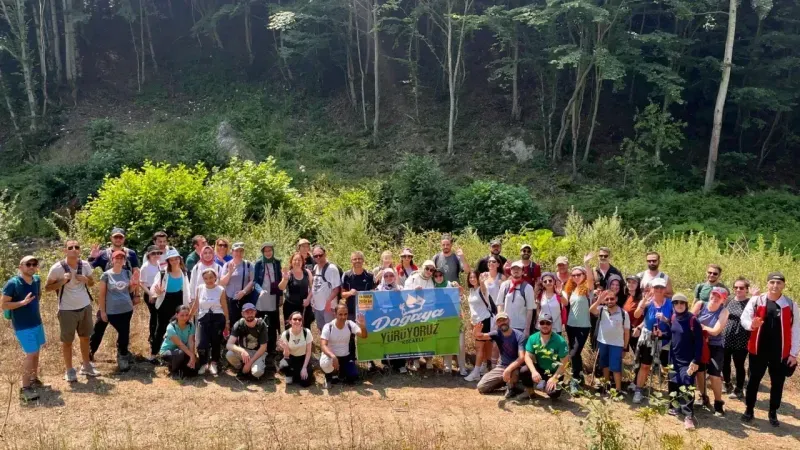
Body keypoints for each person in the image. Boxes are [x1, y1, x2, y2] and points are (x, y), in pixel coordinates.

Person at [740, 272, 799, 427]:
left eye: (778, 283)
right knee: (753, 381)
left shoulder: (791, 305)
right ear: (767, 284)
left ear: (783, 285)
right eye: (772, 282)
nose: (775, 286)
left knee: (777, 383)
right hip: (758, 350)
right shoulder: (756, 300)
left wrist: (793, 353)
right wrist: (752, 325)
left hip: (780, 353)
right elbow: (744, 318)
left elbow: (796, 329)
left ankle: (773, 412)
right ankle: (749, 409)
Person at [44, 240, 99, 380]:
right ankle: (69, 370)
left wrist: (86, 280)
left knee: (85, 338)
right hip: (66, 309)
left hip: (85, 306)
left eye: (77, 247)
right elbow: (47, 288)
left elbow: (92, 283)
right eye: (70, 247)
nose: (74, 249)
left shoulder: (85, 265)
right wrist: (62, 282)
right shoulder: (57, 268)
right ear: (65, 250)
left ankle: (86, 366)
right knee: (67, 341)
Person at [2, 256, 44, 401]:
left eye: (34, 264)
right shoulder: (13, 283)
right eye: (28, 264)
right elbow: (4, 305)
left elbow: (38, 296)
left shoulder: (37, 280)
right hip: (23, 325)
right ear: (20, 267)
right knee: (31, 354)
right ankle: (25, 389)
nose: (32, 266)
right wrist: (22, 303)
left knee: (37, 351)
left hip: (37, 322)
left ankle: (33, 379)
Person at [90, 250, 138, 372]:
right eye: (117, 258)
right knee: (98, 331)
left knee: (124, 334)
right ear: (112, 260)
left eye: (122, 258)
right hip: (110, 310)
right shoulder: (106, 275)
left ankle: (122, 356)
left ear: (124, 261)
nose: (119, 260)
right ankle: (89, 355)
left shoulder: (127, 273)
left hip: (126, 309)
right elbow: (101, 295)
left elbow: (130, 290)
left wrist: (134, 284)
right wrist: (103, 311)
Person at [632, 277, 673, 404]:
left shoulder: (671, 303)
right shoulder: (647, 302)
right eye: (656, 288)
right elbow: (637, 315)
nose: (659, 290)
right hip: (648, 337)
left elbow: (675, 321)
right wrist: (642, 304)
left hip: (665, 338)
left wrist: (666, 319)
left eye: (661, 288)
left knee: (668, 367)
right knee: (645, 365)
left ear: (665, 289)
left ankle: (673, 394)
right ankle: (638, 390)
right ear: (652, 289)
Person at [691, 286, 730, 416]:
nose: (714, 298)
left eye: (718, 297)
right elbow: (690, 321)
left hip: (715, 345)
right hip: (699, 343)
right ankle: (703, 397)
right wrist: (701, 329)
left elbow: (715, 331)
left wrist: (700, 327)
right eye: (713, 295)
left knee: (714, 375)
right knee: (700, 371)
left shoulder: (724, 311)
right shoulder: (700, 305)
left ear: (723, 300)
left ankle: (718, 403)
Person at [668, 293, 704, 430]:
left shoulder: (693, 320)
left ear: (686, 304)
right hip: (674, 359)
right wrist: (661, 334)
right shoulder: (673, 318)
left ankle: (689, 416)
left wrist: (696, 361)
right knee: (674, 383)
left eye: (681, 303)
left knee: (687, 385)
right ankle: (675, 407)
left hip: (688, 361)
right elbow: (673, 335)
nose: (679, 305)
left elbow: (699, 343)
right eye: (676, 303)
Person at [474, 312, 526, 398]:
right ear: (497, 323)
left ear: (509, 320)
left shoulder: (519, 335)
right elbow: (480, 336)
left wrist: (508, 369)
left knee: (514, 372)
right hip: (502, 366)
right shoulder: (497, 334)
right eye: (499, 321)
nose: (502, 322)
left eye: (504, 320)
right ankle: (508, 383)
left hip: (516, 367)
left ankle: (512, 387)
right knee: (482, 387)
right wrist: (476, 332)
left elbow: (521, 358)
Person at [150, 249, 191, 356]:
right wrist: (157, 292)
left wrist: (188, 305)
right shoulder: (163, 273)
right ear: (168, 261)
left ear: (179, 259)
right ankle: (154, 354)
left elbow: (187, 290)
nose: (174, 261)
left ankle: (174, 352)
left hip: (179, 301)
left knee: (177, 327)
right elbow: (154, 287)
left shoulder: (184, 272)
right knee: (161, 328)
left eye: (176, 259)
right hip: (165, 302)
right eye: (171, 260)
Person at [521, 312, 570, 401]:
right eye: (542, 323)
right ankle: (531, 392)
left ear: (552, 324)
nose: (545, 325)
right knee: (524, 370)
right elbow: (527, 356)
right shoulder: (533, 338)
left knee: (553, 394)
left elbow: (565, 362)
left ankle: (545, 385)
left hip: (555, 372)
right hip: (540, 369)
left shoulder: (560, 341)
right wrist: (533, 372)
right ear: (538, 324)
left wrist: (554, 378)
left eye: (548, 323)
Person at [564, 257, 595, 394]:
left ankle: (575, 380)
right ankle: (579, 376)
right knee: (575, 353)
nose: (576, 277)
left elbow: (591, 280)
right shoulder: (572, 289)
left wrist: (586, 264)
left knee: (574, 352)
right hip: (570, 325)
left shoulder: (587, 289)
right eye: (574, 275)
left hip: (583, 326)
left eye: (579, 274)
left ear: (584, 275)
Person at [190, 267, 229, 376]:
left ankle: (214, 363)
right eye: (206, 278)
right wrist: (189, 316)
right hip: (203, 318)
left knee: (215, 342)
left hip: (217, 318)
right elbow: (196, 304)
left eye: (211, 277)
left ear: (215, 277)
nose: (209, 280)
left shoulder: (220, 289)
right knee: (202, 342)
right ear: (203, 279)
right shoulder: (200, 288)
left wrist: (227, 321)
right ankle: (203, 363)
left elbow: (224, 306)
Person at [590, 290, 630, 392]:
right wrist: (599, 300)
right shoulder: (602, 310)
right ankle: (606, 386)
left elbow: (626, 332)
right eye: (607, 299)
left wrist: (625, 347)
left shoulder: (623, 313)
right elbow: (591, 309)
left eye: (612, 299)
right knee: (605, 365)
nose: (609, 301)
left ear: (616, 299)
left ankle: (618, 390)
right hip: (603, 342)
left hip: (617, 344)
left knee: (616, 368)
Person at [320, 304, 368, 388]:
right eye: (340, 314)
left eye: (345, 314)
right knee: (325, 363)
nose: (343, 317)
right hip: (332, 357)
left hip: (345, 356)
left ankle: (339, 374)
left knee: (353, 376)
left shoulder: (350, 324)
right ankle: (328, 377)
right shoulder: (328, 327)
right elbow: (323, 345)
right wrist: (333, 356)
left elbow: (364, 336)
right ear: (335, 314)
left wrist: (363, 327)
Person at [722, 277, 751, 400]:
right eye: (736, 287)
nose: (738, 290)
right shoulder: (728, 300)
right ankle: (727, 383)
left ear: (746, 290)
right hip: (726, 336)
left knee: (739, 364)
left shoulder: (750, 302)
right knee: (724, 363)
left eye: (741, 288)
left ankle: (739, 389)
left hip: (741, 337)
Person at [465, 271, 496, 381]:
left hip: (484, 320)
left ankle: (476, 372)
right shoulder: (471, 290)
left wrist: (482, 282)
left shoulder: (481, 289)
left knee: (479, 347)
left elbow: (483, 289)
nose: (472, 279)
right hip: (475, 322)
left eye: (474, 277)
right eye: (470, 277)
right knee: (485, 346)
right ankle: (484, 367)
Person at [254, 242, 282, 359]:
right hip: (261, 298)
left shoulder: (277, 262)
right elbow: (255, 282)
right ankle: (260, 347)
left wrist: (281, 296)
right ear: (262, 252)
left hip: (273, 297)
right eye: (266, 251)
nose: (268, 253)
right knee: (260, 323)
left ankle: (271, 349)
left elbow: (280, 280)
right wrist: (260, 290)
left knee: (273, 324)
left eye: (270, 250)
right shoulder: (259, 263)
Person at [226, 303, 269, 379]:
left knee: (257, 373)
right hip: (245, 352)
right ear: (242, 314)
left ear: (255, 312)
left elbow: (263, 347)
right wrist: (242, 350)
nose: (249, 315)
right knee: (229, 354)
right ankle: (241, 369)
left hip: (258, 352)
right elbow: (229, 345)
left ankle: (250, 368)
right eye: (247, 312)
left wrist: (250, 362)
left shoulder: (261, 324)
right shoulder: (239, 324)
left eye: (252, 312)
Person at [220, 242, 255, 328]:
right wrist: (230, 272)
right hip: (231, 300)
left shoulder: (248, 264)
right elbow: (223, 282)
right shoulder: (227, 265)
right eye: (236, 251)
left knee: (246, 324)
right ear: (232, 252)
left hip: (245, 299)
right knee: (233, 324)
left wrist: (243, 291)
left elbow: (253, 280)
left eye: (241, 251)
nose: (238, 253)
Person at [497, 261, 535, 337]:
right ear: (510, 271)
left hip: (521, 327)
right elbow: (500, 304)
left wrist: (527, 329)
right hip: (506, 326)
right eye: (513, 269)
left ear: (523, 272)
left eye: (518, 269)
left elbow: (530, 310)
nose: (516, 271)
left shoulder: (528, 287)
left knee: (520, 349)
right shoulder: (505, 285)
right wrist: (500, 322)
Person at [159, 305, 198, 378]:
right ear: (177, 315)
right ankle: (173, 371)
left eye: (187, 315)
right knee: (180, 353)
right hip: (168, 352)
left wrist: (192, 356)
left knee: (193, 372)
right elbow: (180, 344)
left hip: (183, 351)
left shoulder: (191, 325)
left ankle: (179, 368)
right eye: (182, 315)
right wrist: (191, 356)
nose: (185, 318)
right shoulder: (171, 327)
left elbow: (191, 342)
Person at [279, 252, 314, 330]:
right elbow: (281, 288)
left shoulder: (307, 272)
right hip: (290, 306)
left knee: (305, 329)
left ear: (303, 262)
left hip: (304, 306)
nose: (297, 262)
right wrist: (285, 279)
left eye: (299, 260)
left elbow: (312, 288)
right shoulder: (288, 274)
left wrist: (308, 300)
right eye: (295, 260)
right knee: (290, 330)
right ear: (291, 261)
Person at [139, 245, 163, 360]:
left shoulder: (158, 264)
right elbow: (142, 283)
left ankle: (157, 341)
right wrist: (150, 294)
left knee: (159, 317)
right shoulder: (146, 266)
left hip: (158, 293)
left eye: (158, 253)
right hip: (150, 293)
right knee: (154, 318)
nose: (156, 255)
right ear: (149, 255)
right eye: (154, 254)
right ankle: (152, 340)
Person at [279, 311, 314, 387]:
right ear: (290, 321)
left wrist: (304, 367)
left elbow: (308, 352)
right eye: (295, 319)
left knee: (305, 384)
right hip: (291, 358)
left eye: (300, 319)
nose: (297, 321)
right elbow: (286, 356)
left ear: (302, 321)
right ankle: (290, 374)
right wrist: (286, 348)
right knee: (283, 365)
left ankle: (299, 373)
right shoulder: (286, 334)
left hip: (303, 358)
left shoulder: (306, 332)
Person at [311, 245, 341, 329]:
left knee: (330, 330)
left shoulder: (331, 268)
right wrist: (312, 301)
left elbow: (336, 289)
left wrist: (328, 302)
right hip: (317, 306)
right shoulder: (316, 267)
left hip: (328, 307)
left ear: (325, 254)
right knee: (321, 329)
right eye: (315, 256)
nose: (318, 257)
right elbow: (315, 285)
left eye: (320, 255)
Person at [622, 275, 644, 388]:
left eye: (634, 282)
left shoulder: (641, 299)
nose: (631, 284)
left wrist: (639, 327)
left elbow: (647, 317)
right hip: (626, 331)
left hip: (637, 332)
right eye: (629, 282)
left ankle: (637, 382)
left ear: (638, 285)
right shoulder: (627, 297)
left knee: (638, 357)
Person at [341, 251, 375, 321]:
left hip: (366, 310)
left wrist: (372, 293)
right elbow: (342, 295)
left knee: (365, 331)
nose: (357, 261)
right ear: (351, 261)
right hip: (351, 311)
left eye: (359, 259)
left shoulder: (370, 275)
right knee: (352, 331)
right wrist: (350, 293)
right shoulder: (346, 275)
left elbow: (374, 292)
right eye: (355, 259)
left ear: (363, 260)